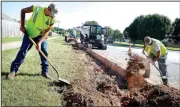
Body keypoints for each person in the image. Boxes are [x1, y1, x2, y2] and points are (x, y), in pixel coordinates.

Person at [8, 3, 58, 79]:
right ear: (48, 9)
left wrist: (40, 42)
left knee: (44, 51)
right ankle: (13, 70)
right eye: (52, 14)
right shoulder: (37, 8)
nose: (52, 16)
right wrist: (22, 25)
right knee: (23, 51)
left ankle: (45, 72)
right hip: (29, 33)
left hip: (41, 35)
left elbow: (47, 31)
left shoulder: (53, 19)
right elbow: (23, 10)